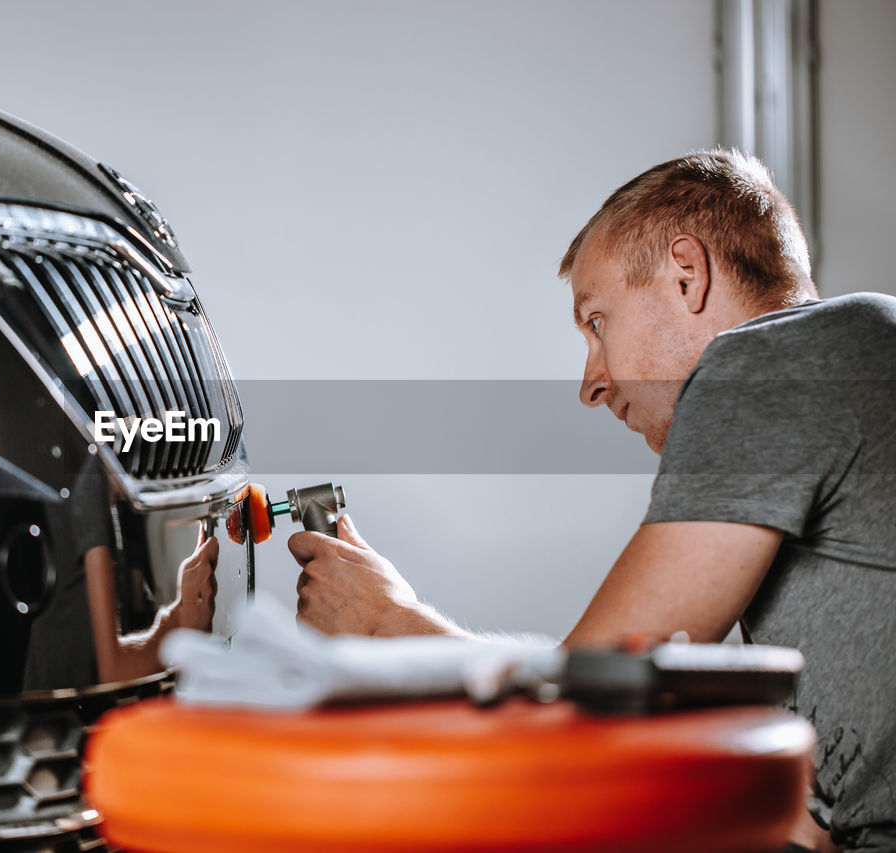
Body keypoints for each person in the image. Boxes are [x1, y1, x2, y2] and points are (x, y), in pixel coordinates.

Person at [290, 149, 896, 853]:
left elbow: (581, 710)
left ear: (685, 274)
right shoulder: (844, 356)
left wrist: (387, 622)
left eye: (597, 321)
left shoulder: (767, 364)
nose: (592, 382)